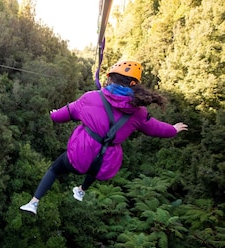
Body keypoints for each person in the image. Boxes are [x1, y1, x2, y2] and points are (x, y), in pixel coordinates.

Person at [20, 60, 188, 214]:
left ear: (110, 80)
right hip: (105, 164)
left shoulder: (91, 98)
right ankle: (81, 190)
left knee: (55, 169)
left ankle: (34, 202)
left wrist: (54, 115)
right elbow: (156, 128)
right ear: (134, 84)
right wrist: (173, 129)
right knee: (100, 158)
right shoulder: (138, 112)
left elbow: (65, 114)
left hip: (79, 155)